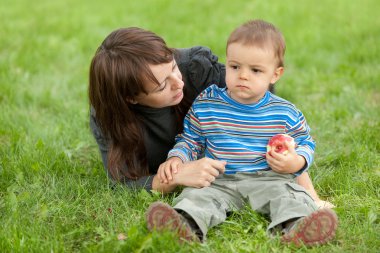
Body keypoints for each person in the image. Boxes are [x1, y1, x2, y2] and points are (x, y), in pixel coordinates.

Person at [146, 20, 338, 246]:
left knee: (290, 196)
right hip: (218, 180)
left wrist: (295, 161)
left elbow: (305, 142)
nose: (243, 76)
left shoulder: (284, 112)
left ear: (275, 75)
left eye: (255, 70)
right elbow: (191, 140)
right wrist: (178, 157)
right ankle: (183, 225)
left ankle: (297, 227)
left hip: (268, 178)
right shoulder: (208, 103)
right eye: (235, 67)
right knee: (196, 197)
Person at [88, 27, 332, 204]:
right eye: (162, 86)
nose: (178, 83)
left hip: (235, 162)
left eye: (172, 66)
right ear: (131, 98)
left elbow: (262, 103)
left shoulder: (195, 70)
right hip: (199, 176)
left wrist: (306, 186)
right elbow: (122, 184)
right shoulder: (109, 117)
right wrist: (177, 176)